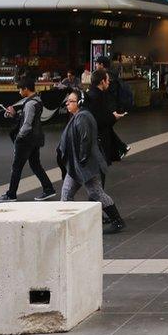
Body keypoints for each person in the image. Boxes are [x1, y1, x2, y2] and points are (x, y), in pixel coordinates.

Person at [57, 91, 125, 233]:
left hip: (84, 164)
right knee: (67, 193)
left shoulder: (82, 117)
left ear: (80, 102)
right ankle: (71, 224)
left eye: (71, 101)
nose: (67, 103)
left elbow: (85, 140)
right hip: (78, 165)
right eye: (67, 101)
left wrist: (82, 159)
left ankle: (117, 221)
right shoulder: (78, 116)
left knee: (95, 192)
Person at [0, 76, 57, 202]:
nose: (19, 92)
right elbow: (29, 120)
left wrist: (18, 138)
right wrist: (13, 115)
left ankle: (11, 194)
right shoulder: (37, 100)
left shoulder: (29, 103)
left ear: (26, 89)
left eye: (20, 89)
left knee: (17, 167)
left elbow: (27, 124)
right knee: (35, 165)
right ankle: (48, 189)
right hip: (35, 139)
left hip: (26, 140)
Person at [85, 69, 126, 169]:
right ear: (102, 81)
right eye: (107, 80)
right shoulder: (97, 97)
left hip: (95, 140)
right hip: (99, 141)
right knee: (98, 175)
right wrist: (113, 117)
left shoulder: (92, 94)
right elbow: (99, 120)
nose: (109, 82)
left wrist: (111, 115)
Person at [94, 56, 129, 160]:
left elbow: (109, 95)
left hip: (111, 108)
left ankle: (121, 148)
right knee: (106, 128)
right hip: (113, 107)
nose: (96, 65)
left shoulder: (107, 77)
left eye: (97, 63)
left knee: (104, 128)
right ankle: (119, 150)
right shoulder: (111, 75)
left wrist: (111, 110)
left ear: (101, 65)